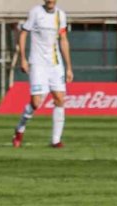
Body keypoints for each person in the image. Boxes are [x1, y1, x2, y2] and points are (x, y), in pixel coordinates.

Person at [12, 0, 73, 148]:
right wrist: (23, 59)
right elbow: (23, 34)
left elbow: (63, 40)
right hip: (38, 63)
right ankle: (20, 128)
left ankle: (55, 140)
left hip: (55, 63)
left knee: (59, 99)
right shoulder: (36, 12)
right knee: (36, 103)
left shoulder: (61, 15)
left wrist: (69, 67)